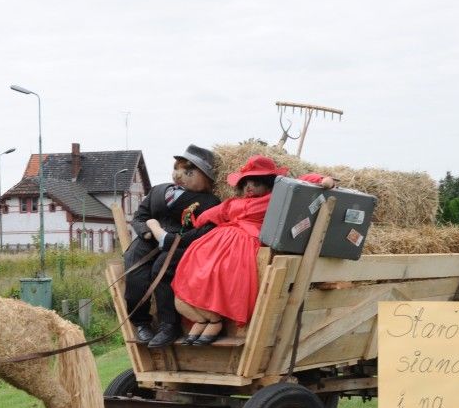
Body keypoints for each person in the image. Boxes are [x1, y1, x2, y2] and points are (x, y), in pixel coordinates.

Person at [172, 156, 334, 345]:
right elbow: (207, 216)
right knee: (194, 271)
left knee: (223, 272)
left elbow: (302, 181)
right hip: (213, 243)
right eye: (246, 182)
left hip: (244, 242)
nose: (249, 187)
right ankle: (203, 318)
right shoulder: (232, 203)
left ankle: (214, 320)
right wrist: (190, 219)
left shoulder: (274, 199)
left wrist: (322, 180)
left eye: (256, 182)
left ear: (267, 184)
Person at [123, 144, 221, 349]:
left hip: (179, 242)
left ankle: (169, 325)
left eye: (189, 172)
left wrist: (170, 239)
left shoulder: (209, 201)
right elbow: (140, 216)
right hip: (147, 240)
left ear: (205, 179)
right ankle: (141, 323)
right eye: (177, 169)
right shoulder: (159, 190)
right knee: (135, 276)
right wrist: (148, 230)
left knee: (162, 270)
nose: (179, 175)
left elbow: (206, 229)